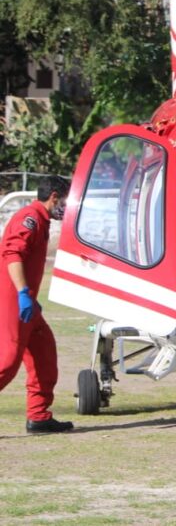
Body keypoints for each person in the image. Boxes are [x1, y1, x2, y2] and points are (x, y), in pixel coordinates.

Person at [0, 177, 74, 433]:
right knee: (7, 363)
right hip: (13, 300)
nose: (67, 206)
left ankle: (39, 416)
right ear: (54, 196)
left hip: (25, 301)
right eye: (65, 200)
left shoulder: (40, 221)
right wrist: (22, 293)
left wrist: (30, 297)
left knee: (44, 352)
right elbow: (12, 255)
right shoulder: (29, 218)